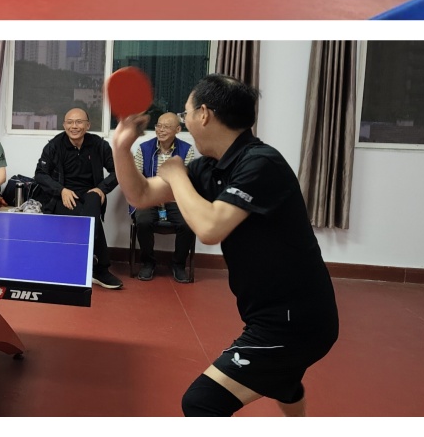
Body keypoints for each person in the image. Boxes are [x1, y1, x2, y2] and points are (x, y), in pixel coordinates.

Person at [110, 74, 338, 416]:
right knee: (283, 380)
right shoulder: (210, 168)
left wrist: (176, 175)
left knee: (201, 402)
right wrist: (120, 148)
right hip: (274, 314)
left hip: (295, 323)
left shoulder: (261, 163)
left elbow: (210, 228)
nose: (185, 121)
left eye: (186, 113)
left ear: (203, 114)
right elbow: (140, 195)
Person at [32, 107, 122, 289]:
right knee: (88, 219)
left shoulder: (99, 145)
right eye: (70, 122)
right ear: (64, 125)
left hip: (91, 193)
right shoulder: (54, 145)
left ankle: (91, 267)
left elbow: (119, 171)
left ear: (87, 125)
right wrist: (61, 190)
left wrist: (102, 188)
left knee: (92, 205)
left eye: (79, 122)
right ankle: (97, 267)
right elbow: (40, 174)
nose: (74, 126)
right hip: (64, 195)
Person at [131, 111, 199, 282]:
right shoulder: (144, 148)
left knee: (187, 223)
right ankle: (148, 263)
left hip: (175, 199)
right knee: (143, 221)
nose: (161, 130)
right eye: (158, 126)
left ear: (177, 129)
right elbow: (136, 177)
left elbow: (187, 179)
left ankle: (178, 264)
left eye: (166, 127)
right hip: (149, 197)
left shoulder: (187, 150)